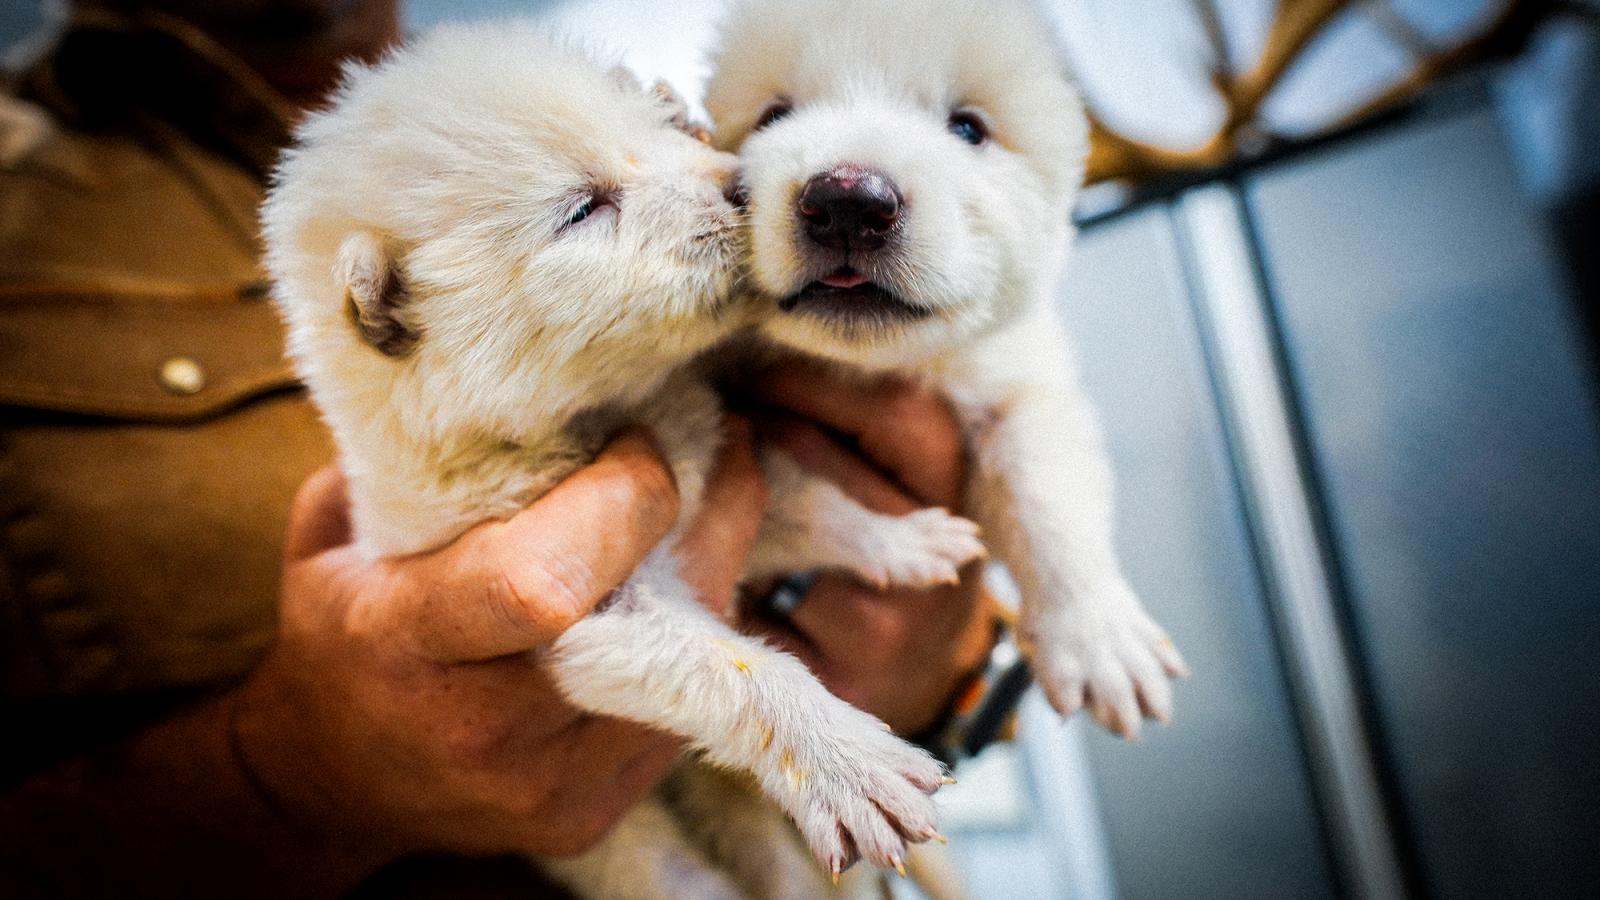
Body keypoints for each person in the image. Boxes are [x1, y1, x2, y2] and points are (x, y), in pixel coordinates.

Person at [0, 1, 996, 896]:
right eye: (585, 210)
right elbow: (599, 625)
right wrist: (290, 781)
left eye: (662, 136)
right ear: (393, 309)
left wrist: (949, 667)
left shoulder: (532, 79)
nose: (729, 182)